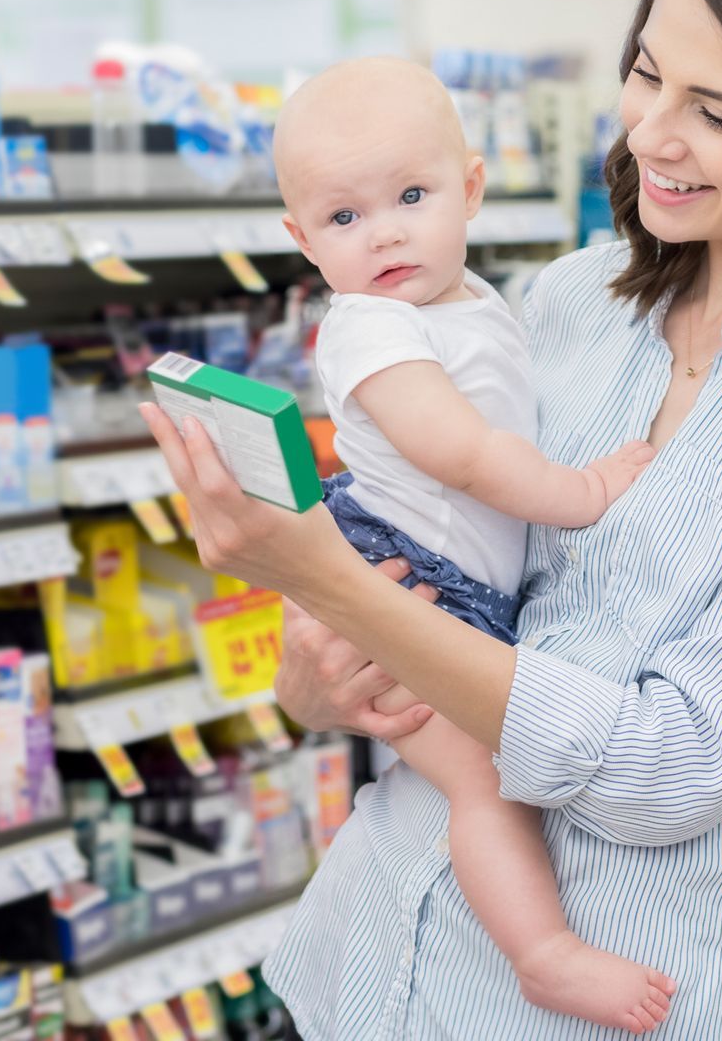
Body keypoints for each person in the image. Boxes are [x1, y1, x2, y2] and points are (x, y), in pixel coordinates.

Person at [142, 0, 722, 1038]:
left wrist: (330, 579)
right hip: (381, 959)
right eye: (646, 74)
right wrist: (317, 678)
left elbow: (676, 766)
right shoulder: (570, 302)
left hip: (617, 1001)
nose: (652, 132)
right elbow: (451, 601)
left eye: (716, 110)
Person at [272, 57, 670, 1033]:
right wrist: (582, 491)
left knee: (478, 775)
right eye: (345, 218)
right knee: (484, 784)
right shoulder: (368, 327)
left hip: (453, 587)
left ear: (473, 187)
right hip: (409, 580)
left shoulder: (477, 303)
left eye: (412, 195)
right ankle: (545, 954)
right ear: (302, 239)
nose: (388, 232)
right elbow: (461, 452)